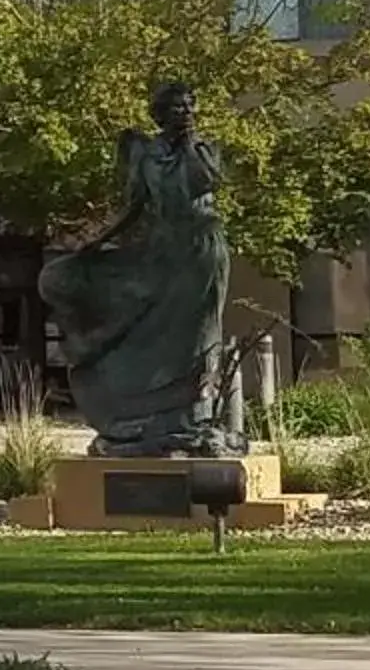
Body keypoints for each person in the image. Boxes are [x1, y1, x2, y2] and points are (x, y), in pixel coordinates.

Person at [37, 81, 240, 457]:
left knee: (198, 335)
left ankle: (194, 418)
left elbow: (203, 182)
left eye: (189, 106)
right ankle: (142, 412)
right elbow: (134, 207)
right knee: (152, 330)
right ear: (160, 115)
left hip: (202, 252)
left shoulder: (204, 150)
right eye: (177, 107)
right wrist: (96, 241)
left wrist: (190, 143)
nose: (186, 112)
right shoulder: (146, 157)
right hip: (163, 253)